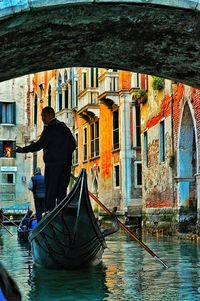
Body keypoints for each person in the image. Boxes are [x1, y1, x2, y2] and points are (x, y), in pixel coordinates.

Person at [15, 107, 76, 213]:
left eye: (44, 115)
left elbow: (39, 145)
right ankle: (61, 215)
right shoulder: (64, 127)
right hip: (65, 165)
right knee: (62, 191)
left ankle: (49, 214)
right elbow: (73, 144)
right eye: (42, 116)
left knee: (51, 192)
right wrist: (64, 157)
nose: (42, 118)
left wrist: (24, 149)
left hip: (52, 166)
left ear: (51, 114)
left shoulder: (50, 129)